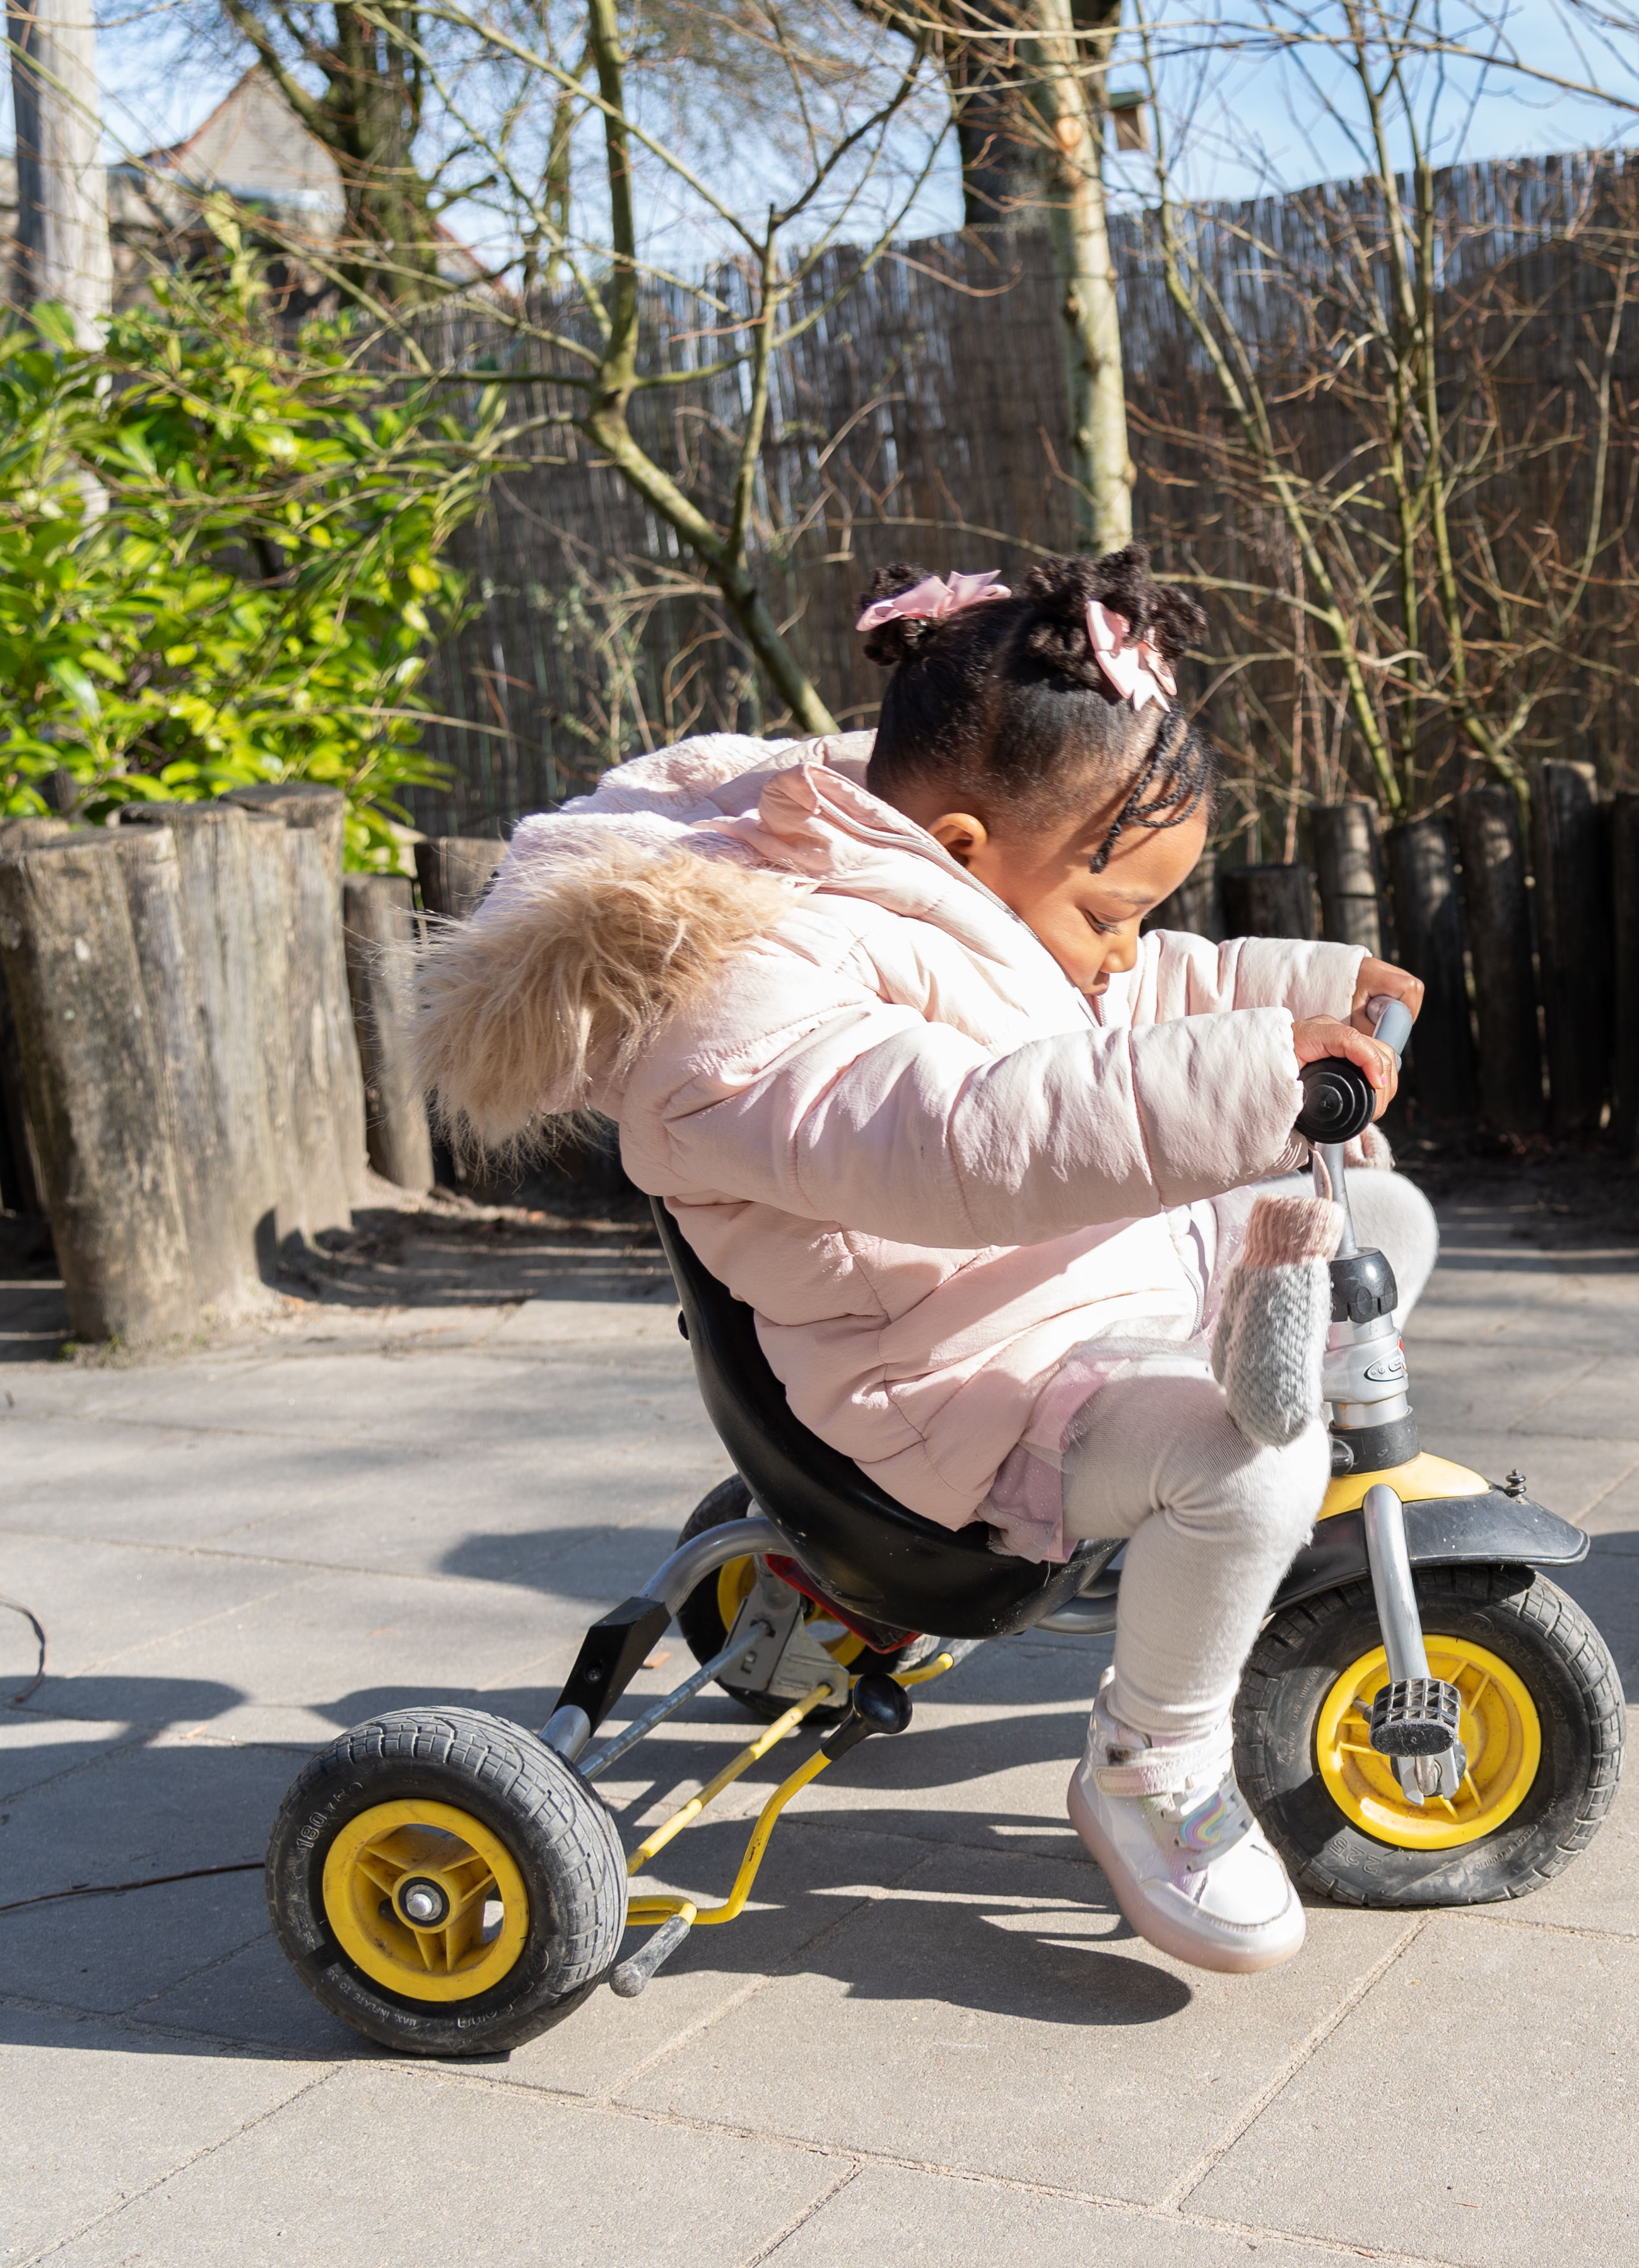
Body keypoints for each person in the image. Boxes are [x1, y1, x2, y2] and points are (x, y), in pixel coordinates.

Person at [412, 547, 1425, 1976]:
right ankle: (1154, 1760)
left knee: (1386, 1221)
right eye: (1114, 910)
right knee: (1247, 1463)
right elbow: (959, 1137)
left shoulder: (962, 887)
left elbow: (1105, 992)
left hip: (1069, 1289)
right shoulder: (735, 1001)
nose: (1124, 949)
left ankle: (1225, 1556)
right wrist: (1257, 1081)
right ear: (958, 846)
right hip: (953, 1399)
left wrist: (1317, 993)